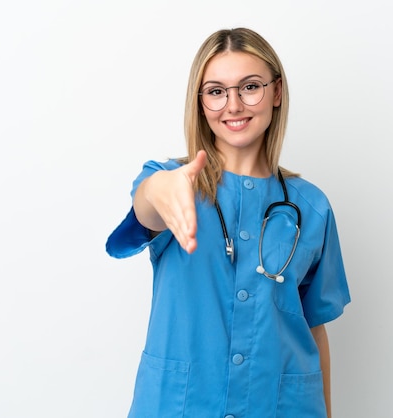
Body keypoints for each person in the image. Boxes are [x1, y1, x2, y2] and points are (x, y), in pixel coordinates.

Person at [106, 27, 350, 418]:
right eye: (216, 91)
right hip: (180, 405)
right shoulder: (172, 181)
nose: (233, 105)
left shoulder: (312, 206)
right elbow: (147, 207)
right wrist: (157, 190)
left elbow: (314, 325)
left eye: (249, 86)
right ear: (201, 103)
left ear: (277, 92)